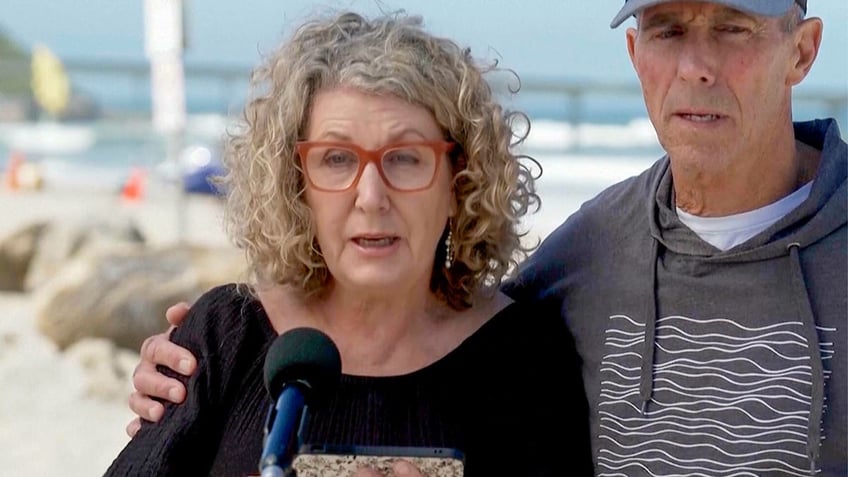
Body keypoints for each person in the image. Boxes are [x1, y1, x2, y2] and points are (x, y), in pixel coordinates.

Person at [130, 1, 848, 475]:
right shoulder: (583, 259)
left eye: (733, 26)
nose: (697, 64)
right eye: (669, 28)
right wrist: (195, 353)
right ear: (636, 53)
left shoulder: (519, 355)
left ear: (804, 51)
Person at [105, 10, 592, 477]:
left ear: (458, 182)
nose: (371, 196)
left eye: (405, 158)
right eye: (337, 159)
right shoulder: (224, 338)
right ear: (298, 185)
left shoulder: (527, 360)